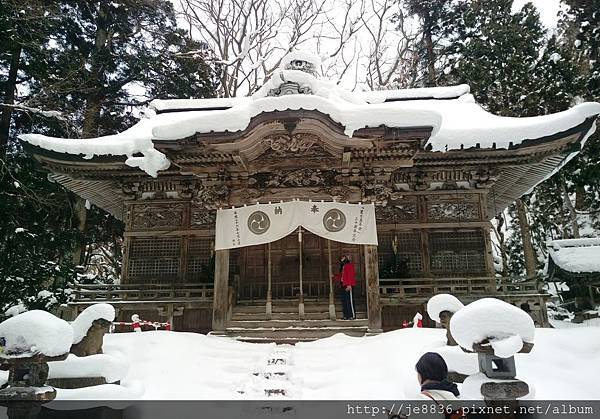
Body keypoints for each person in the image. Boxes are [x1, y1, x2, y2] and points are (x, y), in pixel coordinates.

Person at [339, 254, 356, 320]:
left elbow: (350, 275)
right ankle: (346, 315)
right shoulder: (343, 266)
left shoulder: (349, 265)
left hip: (348, 285)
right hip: (343, 285)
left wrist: (349, 284)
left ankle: (352, 315)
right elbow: (342, 276)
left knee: (349, 300)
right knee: (344, 301)